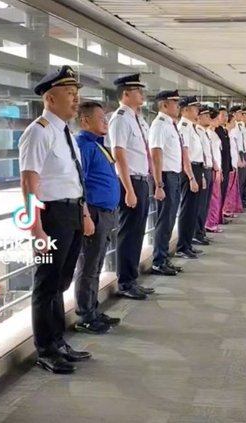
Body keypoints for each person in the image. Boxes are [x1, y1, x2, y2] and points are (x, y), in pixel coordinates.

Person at [19, 65, 92, 374]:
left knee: (61, 282)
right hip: (51, 217)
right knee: (46, 283)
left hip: (72, 213)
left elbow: (73, 177)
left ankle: (58, 341)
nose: (76, 101)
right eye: (70, 95)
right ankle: (45, 349)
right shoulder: (38, 131)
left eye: (77, 95)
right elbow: (29, 182)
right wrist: (35, 227)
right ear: (50, 98)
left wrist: (84, 213)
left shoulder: (66, 133)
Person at [74, 102, 121, 335]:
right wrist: (85, 215)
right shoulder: (84, 145)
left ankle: (92, 309)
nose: (105, 122)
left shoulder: (98, 145)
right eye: (101, 118)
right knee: (89, 265)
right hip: (93, 213)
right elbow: (80, 182)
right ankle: (85, 315)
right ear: (85, 121)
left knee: (97, 264)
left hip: (106, 213)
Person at [107, 73, 155, 300]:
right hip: (131, 181)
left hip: (142, 179)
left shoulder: (138, 119)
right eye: (138, 90)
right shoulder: (120, 119)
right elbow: (119, 154)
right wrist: (128, 189)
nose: (142, 94)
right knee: (128, 232)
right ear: (125, 93)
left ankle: (132, 278)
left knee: (137, 233)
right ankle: (125, 282)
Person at [148, 89, 183, 276]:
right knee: (164, 220)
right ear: (164, 105)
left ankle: (164, 258)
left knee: (170, 220)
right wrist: (159, 183)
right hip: (166, 177)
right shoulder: (159, 124)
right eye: (175, 103)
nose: (178, 107)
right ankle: (158, 261)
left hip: (174, 176)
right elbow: (156, 153)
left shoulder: (171, 124)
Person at [176, 96, 202, 259]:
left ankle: (188, 243)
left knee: (193, 209)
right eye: (194, 108)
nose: (197, 111)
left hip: (197, 168)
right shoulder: (184, 127)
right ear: (185, 110)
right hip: (189, 170)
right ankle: (182, 246)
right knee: (187, 209)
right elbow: (185, 154)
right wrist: (191, 177)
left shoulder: (192, 127)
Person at [193, 105, 214, 245]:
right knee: (199, 205)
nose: (209, 118)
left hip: (208, 169)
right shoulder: (196, 132)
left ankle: (201, 231)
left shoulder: (205, 132)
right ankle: (196, 233)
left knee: (205, 204)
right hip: (200, 169)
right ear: (198, 117)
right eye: (205, 116)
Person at [205, 108, 224, 232]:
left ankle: (213, 221)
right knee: (212, 197)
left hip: (217, 166)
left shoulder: (214, 133)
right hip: (213, 167)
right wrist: (216, 166)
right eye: (216, 119)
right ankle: (209, 223)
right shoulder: (208, 133)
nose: (218, 121)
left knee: (216, 196)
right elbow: (210, 153)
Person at [215, 107, 232, 220]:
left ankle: (221, 214)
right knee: (219, 191)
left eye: (226, 115)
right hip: (220, 165)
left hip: (226, 164)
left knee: (224, 190)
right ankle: (217, 216)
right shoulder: (216, 131)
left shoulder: (224, 130)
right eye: (222, 115)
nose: (225, 118)